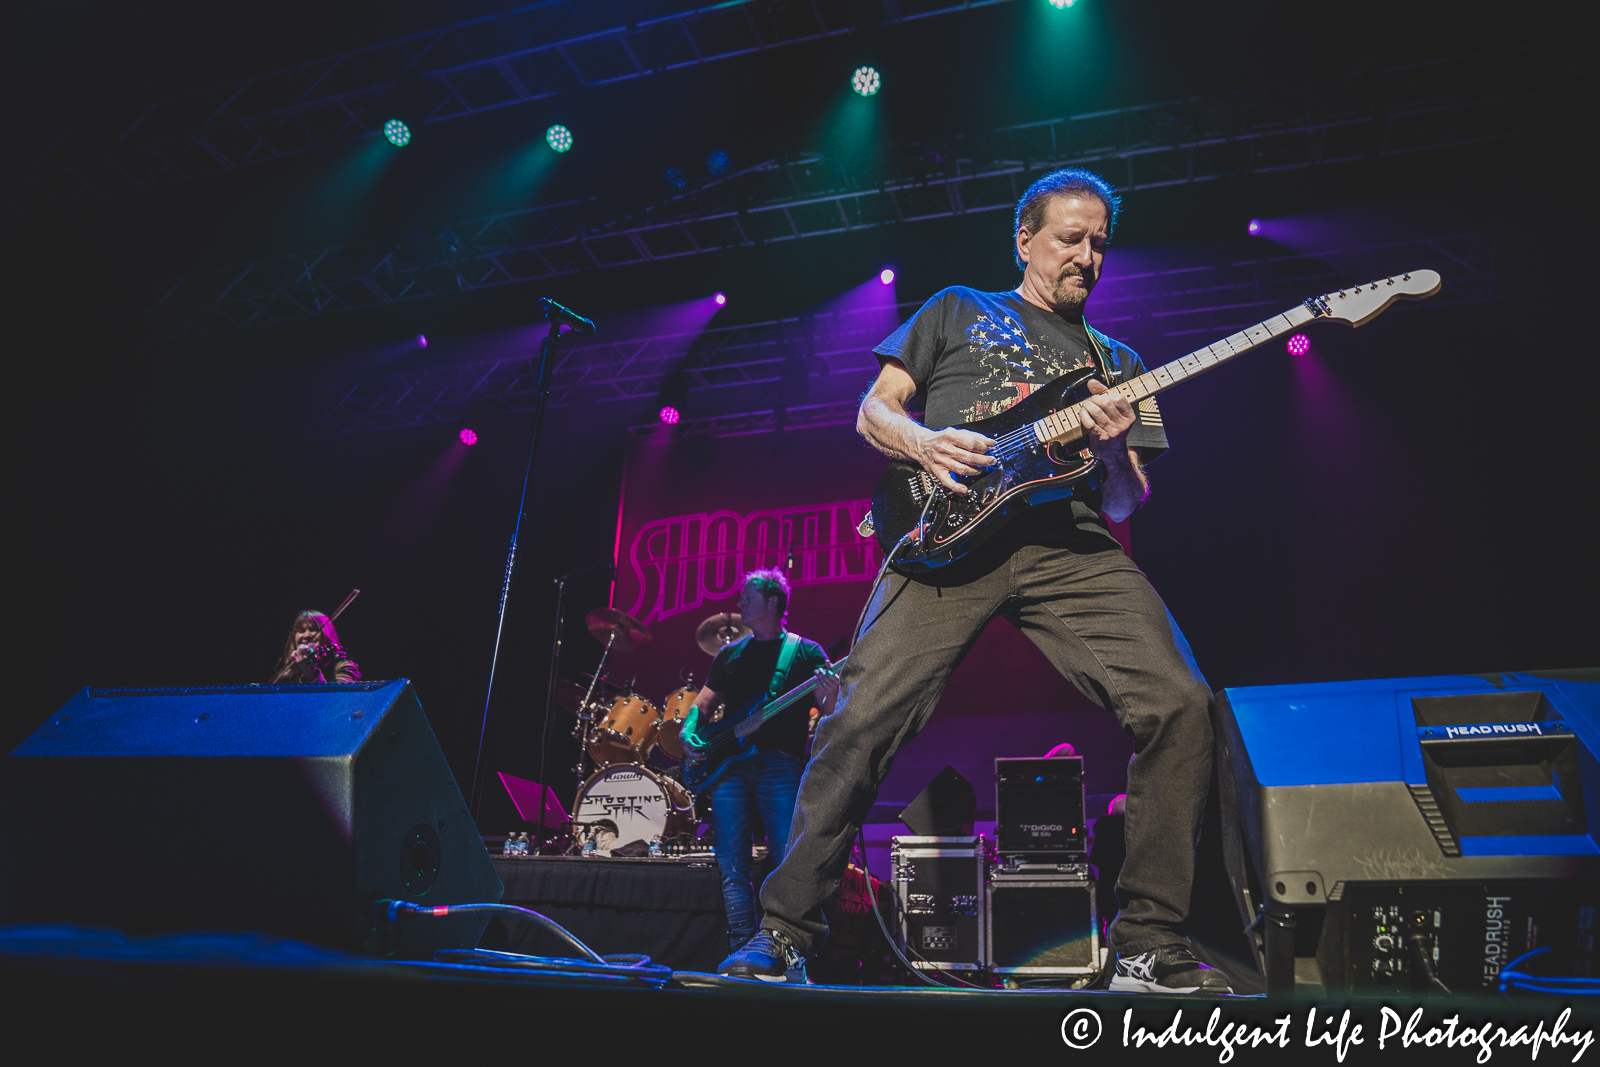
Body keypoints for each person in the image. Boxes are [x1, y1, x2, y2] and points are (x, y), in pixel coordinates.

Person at [718, 168, 1229, 993]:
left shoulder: (1121, 363)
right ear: (1024, 239)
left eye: (1100, 242)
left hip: (1069, 544)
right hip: (943, 541)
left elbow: (1130, 496)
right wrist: (924, 444)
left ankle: (1147, 945)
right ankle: (782, 937)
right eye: (1070, 238)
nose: (1087, 256)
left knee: (1181, 704)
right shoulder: (959, 308)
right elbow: (873, 410)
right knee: (858, 723)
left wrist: (1109, 448)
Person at [680, 568, 840, 951]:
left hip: (780, 765)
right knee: (731, 866)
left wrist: (832, 693)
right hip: (727, 770)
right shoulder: (730, 654)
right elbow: (702, 706)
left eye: (747, 597)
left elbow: (831, 713)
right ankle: (741, 950)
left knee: (790, 861)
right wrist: (687, 733)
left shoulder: (805, 651)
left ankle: (787, 947)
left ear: (772, 602)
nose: (739, 604)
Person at [271, 610, 361, 684]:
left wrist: (311, 674)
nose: (306, 635)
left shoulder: (343, 666)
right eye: (301, 631)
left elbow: (337, 699)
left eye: (313, 630)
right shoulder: (287, 670)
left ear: (327, 635)